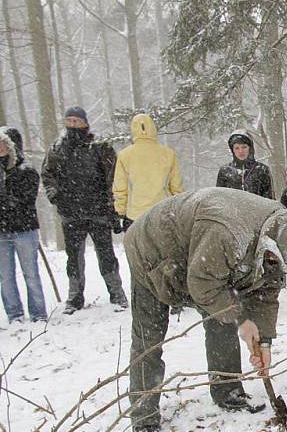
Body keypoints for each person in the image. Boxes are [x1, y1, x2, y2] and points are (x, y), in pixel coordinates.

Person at [124, 188, 287, 432]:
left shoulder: (282, 236)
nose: (275, 265)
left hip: (201, 257)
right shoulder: (227, 233)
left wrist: (264, 341)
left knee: (223, 315)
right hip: (153, 251)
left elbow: (267, 292)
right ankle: (143, 415)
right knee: (148, 338)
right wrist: (242, 320)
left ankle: (227, 391)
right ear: (271, 244)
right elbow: (202, 285)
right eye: (275, 260)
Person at [42, 106, 128, 314]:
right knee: (73, 258)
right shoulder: (57, 148)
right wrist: (55, 195)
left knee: (106, 255)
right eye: (69, 121)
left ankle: (117, 293)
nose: (73, 124)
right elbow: (47, 175)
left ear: (85, 123)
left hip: (98, 211)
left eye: (76, 121)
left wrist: (113, 207)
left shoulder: (100, 146)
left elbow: (113, 177)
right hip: (71, 213)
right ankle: (74, 296)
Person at [0, 127, 48, 324]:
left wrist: (7, 199)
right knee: (5, 276)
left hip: (24, 230)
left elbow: (26, 199)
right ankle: (14, 314)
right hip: (1, 232)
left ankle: (38, 313)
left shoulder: (26, 170)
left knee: (31, 274)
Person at [113, 113, 183, 231]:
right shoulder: (168, 154)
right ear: (153, 128)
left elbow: (120, 189)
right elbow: (177, 187)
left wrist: (120, 211)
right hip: (162, 212)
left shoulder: (125, 155)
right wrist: (178, 210)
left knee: (138, 249)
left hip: (135, 215)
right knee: (164, 249)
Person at [216, 130, 274, 199]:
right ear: (232, 150)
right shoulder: (225, 171)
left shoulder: (262, 169)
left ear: (250, 148)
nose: (241, 151)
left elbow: (269, 199)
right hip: (232, 209)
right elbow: (220, 199)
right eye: (237, 148)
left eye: (244, 147)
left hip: (256, 209)